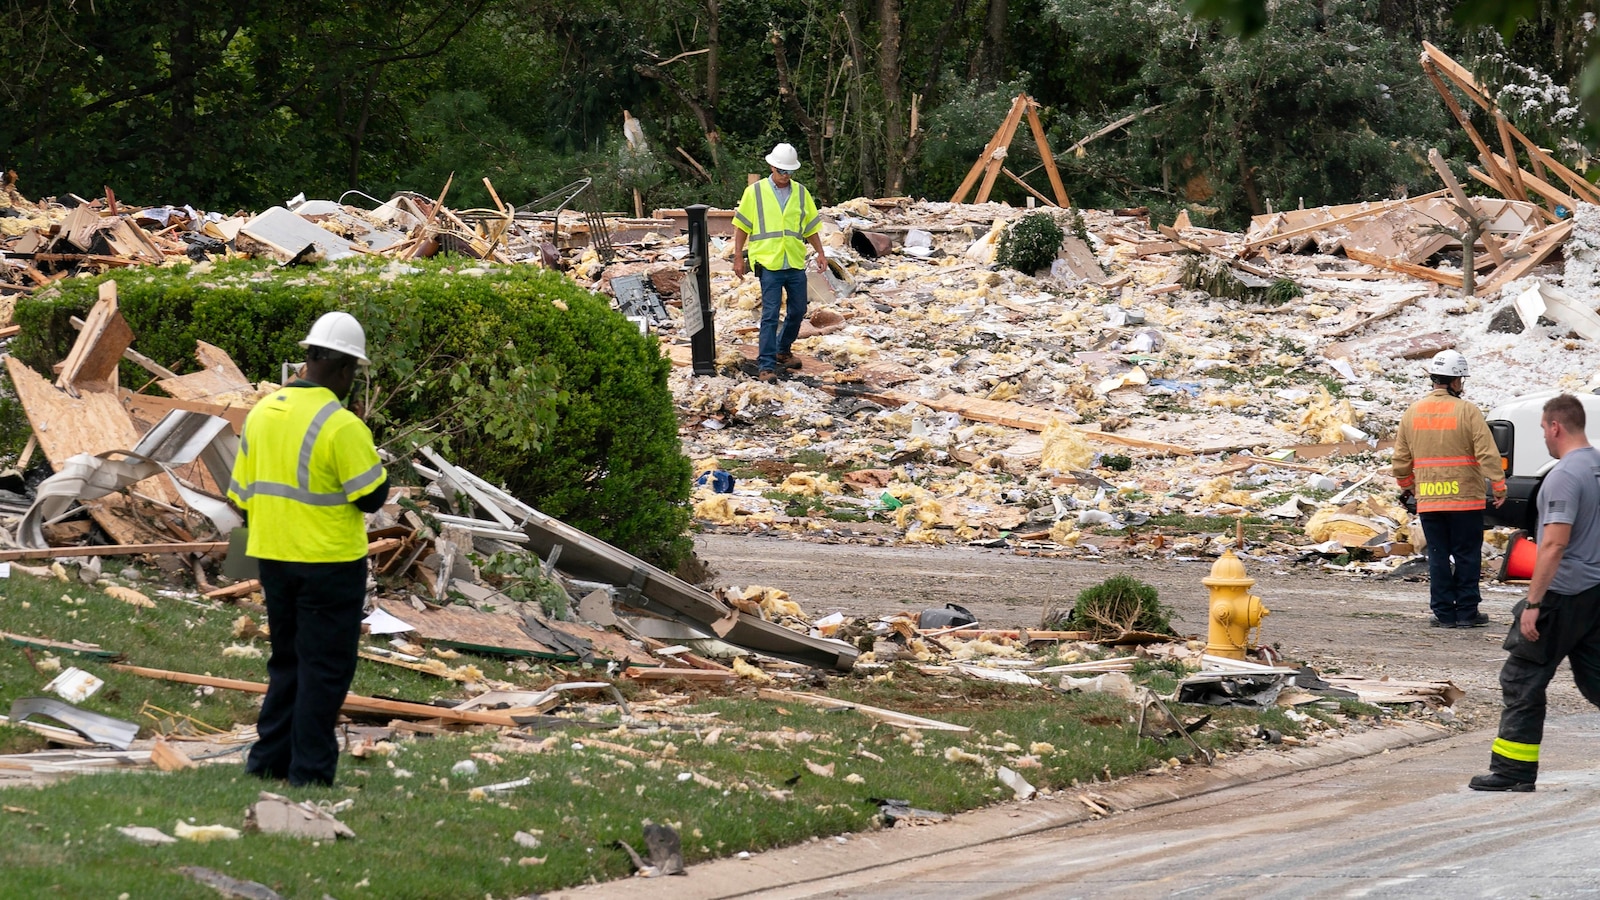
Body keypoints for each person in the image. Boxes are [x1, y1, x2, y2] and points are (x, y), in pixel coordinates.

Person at [228, 311, 389, 787]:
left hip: (273, 558)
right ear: (344, 369)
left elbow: (239, 497)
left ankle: (267, 763)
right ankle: (311, 773)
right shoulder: (340, 425)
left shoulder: (262, 412)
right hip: (328, 564)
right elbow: (372, 496)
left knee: (287, 662)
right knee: (324, 670)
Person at [1470, 394, 1600, 792]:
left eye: (1544, 428)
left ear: (1556, 427)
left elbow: (1554, 544)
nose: (1543, 435)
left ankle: (1513, 772)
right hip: (1596, 593)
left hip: (1562, 593)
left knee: (1521, 679)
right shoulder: (1597, 467)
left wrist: (1533, 603)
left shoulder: (1564, 476)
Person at [1392, 349, 1506, 628]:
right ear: (1455, 382)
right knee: (1467, 555)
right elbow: (1487, 452)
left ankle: (1443, 614)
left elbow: (1400, 461)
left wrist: (1409, 487)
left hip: (1430, 500)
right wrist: (1499, 486)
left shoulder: (1413, 412)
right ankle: (1467, 613)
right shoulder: (1467, 411)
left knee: (1438, 555)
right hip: (1465, 499)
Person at [731, 142, 828, 383]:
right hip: (768, 262)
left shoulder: (801, 193)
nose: (785, 176)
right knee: (770, 314)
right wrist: (737, 257)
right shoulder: (755, 192)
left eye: (789, 172)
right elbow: (742, 226)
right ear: (772, 167)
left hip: (794, 261)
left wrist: (821, 253)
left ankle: (783, 350)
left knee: (798, 311)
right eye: (781, 171)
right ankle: (766, 365)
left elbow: (810, 228)